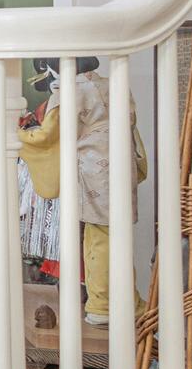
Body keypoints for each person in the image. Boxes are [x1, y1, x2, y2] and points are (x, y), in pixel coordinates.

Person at [16, 57, 147, 326]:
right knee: (119, 235)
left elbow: (46, 136)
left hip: (92, 170)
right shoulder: (116, 84)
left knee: (97, 238)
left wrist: (18, 134)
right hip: (122, 162)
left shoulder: (68, 92)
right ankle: (127, 299)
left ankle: (102, 304)